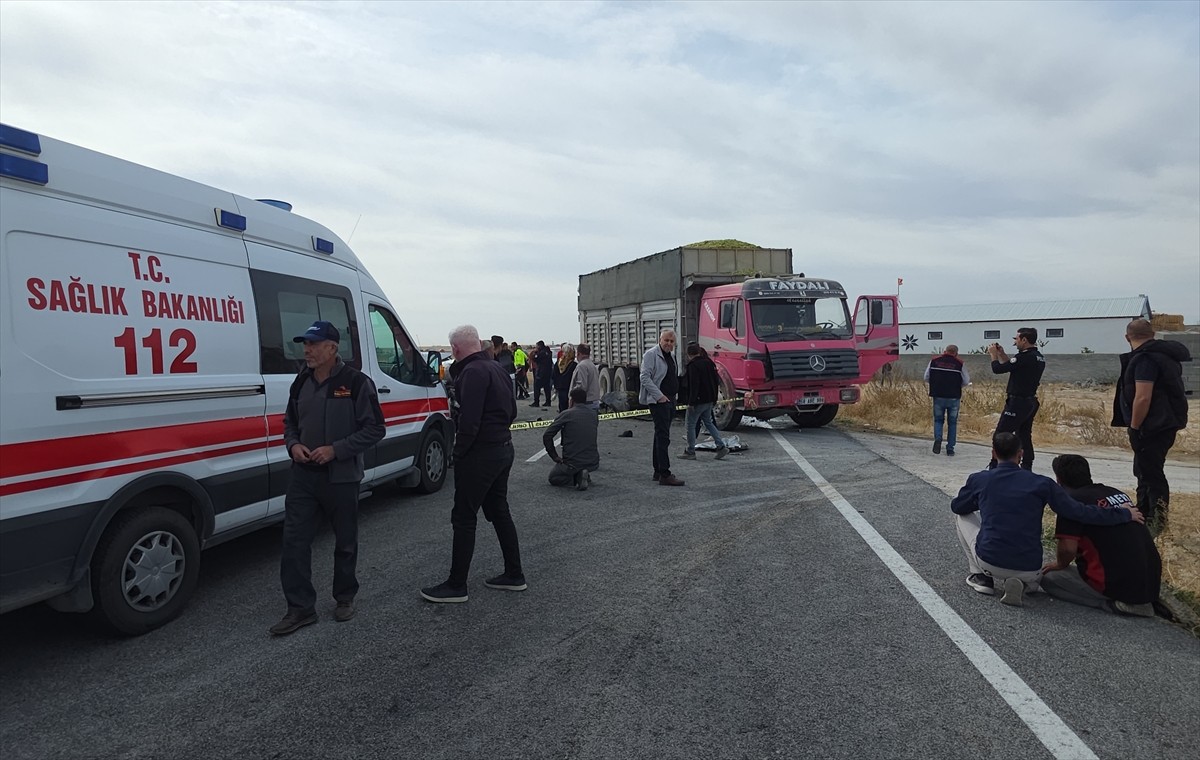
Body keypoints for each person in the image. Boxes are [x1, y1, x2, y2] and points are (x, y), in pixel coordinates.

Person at [271, 320, 385, 635]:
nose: (306, 350)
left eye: (313, 344)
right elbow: (289, 423)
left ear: (332, 348)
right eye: (304, 344)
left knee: (345, 542)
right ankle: (300, 608)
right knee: (294, 542)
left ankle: (344, 597)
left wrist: (336, 450)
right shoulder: (300, 383)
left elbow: (375, 428)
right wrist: (292, 445)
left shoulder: (356, 382)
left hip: (342, 476)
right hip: (303, 477)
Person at [951, 432, 1143, 607]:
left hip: (990, 562)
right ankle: (1025, 584)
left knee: (962, 517)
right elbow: (1078, 512)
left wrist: (987, 500)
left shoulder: (980, 479)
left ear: (993, 453)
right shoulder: (1042, 483)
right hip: (1030, 567)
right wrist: (1124, 513)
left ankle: (981, 577)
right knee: (1033, 578)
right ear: (1021, 454)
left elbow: (958, 507)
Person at [421, 324, 525, 603]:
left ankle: (457, 584)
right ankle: (514, 574)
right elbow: (512, 411)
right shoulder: (497, 370)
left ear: (455, 350)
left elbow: (469, 422)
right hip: (504, 448)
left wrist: (458, 453)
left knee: (464, 517)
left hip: (481, 454)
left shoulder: (471, 373)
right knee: (499, 510)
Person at [1040, 455, 1161, 617]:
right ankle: (1138, 601)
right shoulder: (1116, 493)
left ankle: (1113, 604)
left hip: (1116, 584)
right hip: (1150, 585)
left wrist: (1060, 564)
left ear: (1058, 479)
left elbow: (1068, 549)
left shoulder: (1070, 502)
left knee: (1049, 578)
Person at [1112, 319, 1190, 535]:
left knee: (1151, 473)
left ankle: (1156, 522)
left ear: (1127, 337)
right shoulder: (1163, 356)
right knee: (1144, 469)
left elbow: (1143, 397)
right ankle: (1143, 512)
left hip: (1151, 426)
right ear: (1153, 334)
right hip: (1163, 423)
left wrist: (1135, 427)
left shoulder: (1145, 359)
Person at [986, 326, 1045, 470]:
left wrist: (993, 355)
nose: (1015, 342)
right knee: (1024, 435)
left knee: (1000, 434)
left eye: (1016, 339)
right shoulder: (1038, 357)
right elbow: (1011, 366)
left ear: (1024, 340)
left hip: (1018, 402)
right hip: (1030, 401)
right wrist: (1002, 354)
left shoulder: (1024, 357)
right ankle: (1027, 466)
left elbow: (998, 369)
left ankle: (995, 466)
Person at [640, 329, 685, 486]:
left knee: (659, 436)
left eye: (672, 342)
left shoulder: (671, 357)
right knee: (663, 437)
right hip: (659, 401)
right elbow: (644, 377)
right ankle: (665, 474)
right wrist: (659, 396)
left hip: (670, 401)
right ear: (660, 340)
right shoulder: (651, 354)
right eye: (666, 340)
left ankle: (658, 471)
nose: (668, 344)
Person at [543, 387, 600, 490]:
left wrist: (554, 456)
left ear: (571, 400)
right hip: (593, 461)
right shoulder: (593, 414)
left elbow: (547, 435)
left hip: (573, 461)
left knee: (554, 478)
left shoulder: (567, 414)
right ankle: (584, 473)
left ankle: (577, 477)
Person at [681, 343, 729, 460]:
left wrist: (691, 402)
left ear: (688, 354)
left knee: (690, 425)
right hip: (709, 400)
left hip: (698, 401)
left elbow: (694, 385)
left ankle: (690, 451)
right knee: (709, 422)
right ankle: (721, 446)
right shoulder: (709, 363)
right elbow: (716, 381)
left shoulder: (693, 366)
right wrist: (714, 398)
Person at [924, 344, 970, 456]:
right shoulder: (959, 363)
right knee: (952, 422)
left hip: (938, 395)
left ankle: (938, 438)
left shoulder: (934, 361)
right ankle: (950, 448)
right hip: (954, 397)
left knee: (938, 420)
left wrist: (936, 384)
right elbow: (966, 380)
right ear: (956, 353)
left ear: (945, 351)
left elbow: (926, 377)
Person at [570, 343, 601, 410]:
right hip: (594, 401)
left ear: (578, 353)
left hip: (586, 403)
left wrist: (572, 398)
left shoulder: (581, 366)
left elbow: (581, 387)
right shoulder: (592, 365)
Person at [552, 343, 577, 412]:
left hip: (560, 387)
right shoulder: (574, 364)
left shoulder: (558, 362)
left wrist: (556, 386)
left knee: (562, 405)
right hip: (570, 387)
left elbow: (554, 375)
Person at [530, 340, 554, 408]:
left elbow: (535, 359)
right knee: (547, 387)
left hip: (541, 372)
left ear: (540, 346)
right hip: (548, 372)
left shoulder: (541, 353)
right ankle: (548, 401)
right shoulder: (548, 352)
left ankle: (536, 402)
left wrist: (535, 353)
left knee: (537, 387)